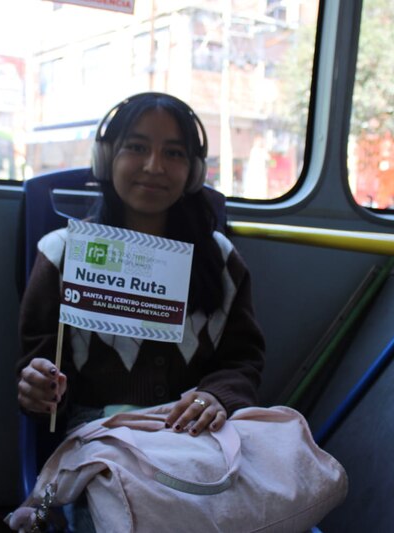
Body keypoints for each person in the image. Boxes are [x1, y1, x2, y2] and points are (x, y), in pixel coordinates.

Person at [15, 92, 265, 529]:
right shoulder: (61, 254)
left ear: (194, 172)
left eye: (173, 153)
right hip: (101, 440)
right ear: (106, 157)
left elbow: (243, 359)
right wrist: (41, 389)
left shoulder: (221, 260)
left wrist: (217, 396)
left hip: (194, 436)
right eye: (136, 147)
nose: (154, 166)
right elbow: (41, 369)